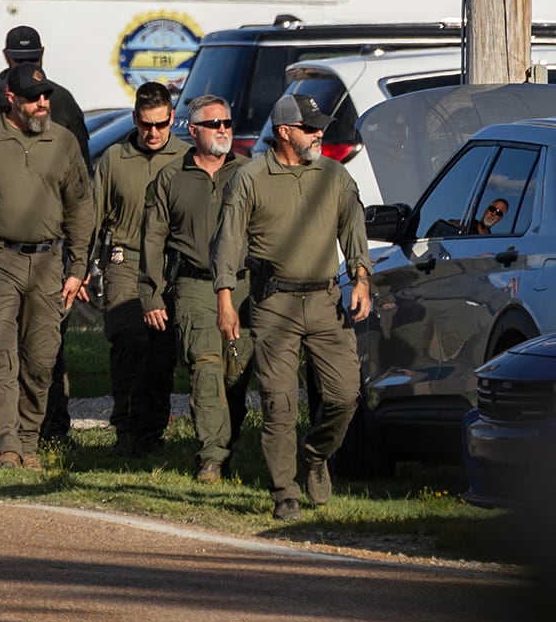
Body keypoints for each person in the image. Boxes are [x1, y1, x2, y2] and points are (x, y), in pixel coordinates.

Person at [213, 92, 371, 521]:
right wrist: (226, 301)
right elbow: (228, 241)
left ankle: (316, 456)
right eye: (310, 127)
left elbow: (353, 230)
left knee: (345, 395)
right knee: (278, 403)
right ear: (284, 132)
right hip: (274, 302)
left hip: (324, 300)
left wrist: (361, 277)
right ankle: (285, 492)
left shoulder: (334, 176)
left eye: (320, 126)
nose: (319, 133)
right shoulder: (250, 178)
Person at [0, 65, 93, 469]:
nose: (42, 103)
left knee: (42, 357)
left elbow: (81, 205)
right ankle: (7, 445)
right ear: (11, 98)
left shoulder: (63, 142)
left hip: (48, 262)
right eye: (33, 97)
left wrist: (78, 265)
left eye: (45, 96)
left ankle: (29, 440)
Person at [142, 91, 249, 480]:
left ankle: (228, 444)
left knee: (235, 375)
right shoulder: (170, 177)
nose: (223, 130)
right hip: (194, 285)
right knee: (204, 367)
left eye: (227, 123)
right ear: (192, 130)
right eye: (213, 124)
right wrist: (150, 293)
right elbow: (152, 239)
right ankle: (212, 457)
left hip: (243, 286)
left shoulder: (248, 172)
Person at [94, 82, 186, 457]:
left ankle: (152, 432)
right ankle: (126, 428)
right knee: (129, 342)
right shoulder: (114, 159)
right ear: (135, 119)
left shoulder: (185, 158)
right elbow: (92, 216)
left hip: (168, 265)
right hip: (125, 259)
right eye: (146, 125)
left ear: (171, 119)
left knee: (162, 352)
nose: (153, 133)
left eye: (161, 125)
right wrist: (79, 267)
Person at [0, 26, 90, 155]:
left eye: (33, 59)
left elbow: (81, 158)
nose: (27, 66)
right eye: (19, 60)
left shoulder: (61, 99)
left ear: (42, 55)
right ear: (6, 57)